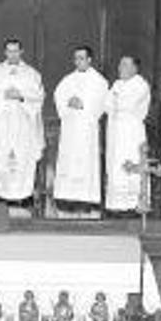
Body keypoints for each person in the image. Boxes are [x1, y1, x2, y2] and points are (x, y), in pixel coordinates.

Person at [0, 38, 45, 208]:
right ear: (5, 52)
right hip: (2, 123)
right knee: (2, 153)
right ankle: (0, 192)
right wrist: (3, 97)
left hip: (23, 123)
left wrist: (22, 96)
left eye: (15, 51)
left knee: (23, 155)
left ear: (21, 52)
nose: (12, 54)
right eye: (9, 51)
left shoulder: (32, 74)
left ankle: (23, 194)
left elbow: (38, 97)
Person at [53, 45, 110, 215]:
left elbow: (101, 102)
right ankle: (66, 197)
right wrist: (67, 103)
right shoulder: (68, 79)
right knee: (68, 161)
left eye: (82, 58)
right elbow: (59, 95)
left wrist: (83, 104)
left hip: (86, 129)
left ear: (89, 60)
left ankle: (86, 199)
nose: (78, 61)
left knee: (85, 161)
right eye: (76, 58)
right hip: (70, 128)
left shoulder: (99, 81)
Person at [105, 56, 151, 214]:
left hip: (132, 132)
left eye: (124, 64)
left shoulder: (141, 85)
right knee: (116, 163)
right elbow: (107, 104)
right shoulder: (117, 84)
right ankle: (117, 204)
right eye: (120, 64)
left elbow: (127, 105)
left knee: (130, 163)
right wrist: (115, 99)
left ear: (134, 68)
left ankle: (133, 203)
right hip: (116, 131)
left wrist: (116, 99)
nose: (119, 67)